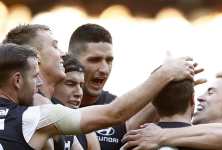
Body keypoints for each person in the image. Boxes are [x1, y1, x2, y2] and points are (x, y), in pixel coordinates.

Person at [0, 43, 199, 149]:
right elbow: (114, 114)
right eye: (35, 77)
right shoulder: (34, 118)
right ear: (17, 80)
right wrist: (165, 73)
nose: (39, 83)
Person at [68, 23, 159, 149]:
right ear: (72, 59)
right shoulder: (49, 105)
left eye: (109, 60)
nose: (104, 69)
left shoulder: (122, 111)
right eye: (94, 60)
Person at [52, 55, 100, 150]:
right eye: (70, 84)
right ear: (52, 85)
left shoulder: (88, 134)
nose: (79, 93)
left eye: (81, 85)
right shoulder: (36, 119)